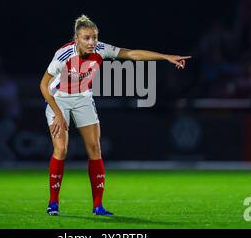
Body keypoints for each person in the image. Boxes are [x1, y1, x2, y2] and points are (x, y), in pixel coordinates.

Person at [39, 15, 191, 216]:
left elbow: (132, 54)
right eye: (86, 38)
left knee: (95, 148)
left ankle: (98, 206)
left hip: (83, 98)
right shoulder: (63, 54)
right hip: (58, 99)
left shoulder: (101, 49)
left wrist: (165, 57)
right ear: (76, 38)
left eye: (94, 37)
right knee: (61, 149)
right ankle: (53, 203)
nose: (92, 42)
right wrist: (58, 114)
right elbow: (43, 85)